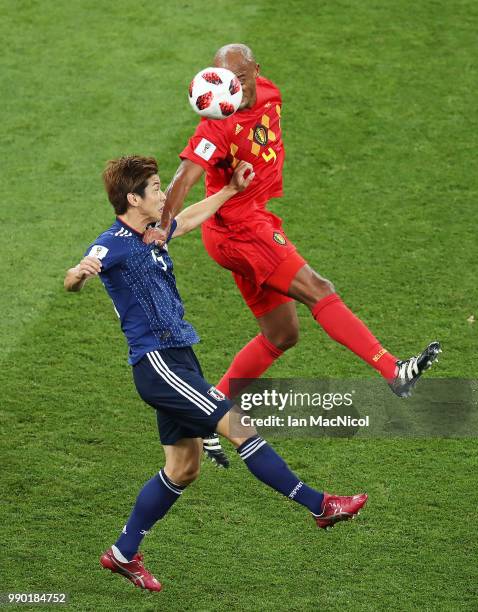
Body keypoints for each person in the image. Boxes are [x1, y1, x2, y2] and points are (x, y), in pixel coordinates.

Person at [64, 155, 367, 593]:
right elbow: (75, 277)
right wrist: (80, 273)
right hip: (158, 364)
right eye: (154, 188)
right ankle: (320, 505)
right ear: (132, 198)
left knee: (183, 468)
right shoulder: (110, 243)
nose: (162, 192)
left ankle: (123, 553)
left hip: (180, 359)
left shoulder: (153, 232)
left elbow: (185, 219)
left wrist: (229, 192)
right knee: (237, 426)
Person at [151, 43, 441, 411]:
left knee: (282, 333)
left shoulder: (270, 91)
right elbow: (183, 177)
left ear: (257, 71)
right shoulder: (216, 127)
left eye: (239, 78)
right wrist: (162, 228)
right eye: (225, 81)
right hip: (240, 229)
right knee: (319, 289)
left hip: (246, 222)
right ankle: (393, 371)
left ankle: (211, 410)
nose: (232, 89)